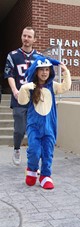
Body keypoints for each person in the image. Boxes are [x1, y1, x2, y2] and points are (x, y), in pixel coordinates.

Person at [18, 55, 71, 189]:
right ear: (36, 71)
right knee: (34, 151)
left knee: (48, 152)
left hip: (49, 126)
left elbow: (65, 87)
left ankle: (45, 176)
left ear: (50, 71)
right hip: (34, 126)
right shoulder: (31, 87)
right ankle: (31, 170)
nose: (44, 72)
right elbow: (22, 101)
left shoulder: (52, 86)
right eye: (41, 69)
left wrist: (65, 71)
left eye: (47, 69)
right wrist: (24, 89)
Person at [4, 27, 40, 165]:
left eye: (29, 36)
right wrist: (15, 91)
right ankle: (17, 149)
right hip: (19, 98)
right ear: (21, 37)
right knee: (20, 129)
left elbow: (43, 76)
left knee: (34, 129)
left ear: (34, 39)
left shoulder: (38, 57)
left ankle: (33, 155)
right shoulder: (12, 55)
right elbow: (9, 75)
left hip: (34, 99)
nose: (26, 39)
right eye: (24, 35)